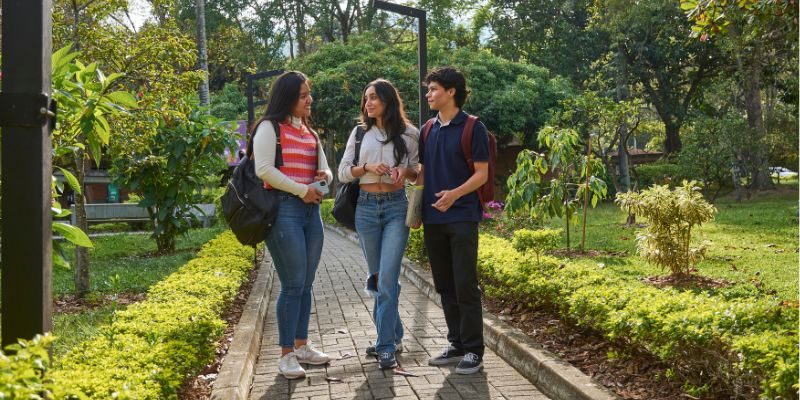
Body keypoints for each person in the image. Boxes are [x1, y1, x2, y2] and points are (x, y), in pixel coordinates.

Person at [252, 71, 333, 379]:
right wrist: (301, 190)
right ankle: (286, 355)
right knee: (293, 283)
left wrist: (325, 176)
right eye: (303, 95)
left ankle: (302, 346)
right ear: (287, 98)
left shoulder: (309, 132)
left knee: (306, 283)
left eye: (309, 93)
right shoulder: (269, 128)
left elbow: (326, 168)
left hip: (312, 213)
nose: (309, 99)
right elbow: (263, 169)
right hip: (284, 211)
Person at [338, 79, 419, 370]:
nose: (368, 103)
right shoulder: (360, 133)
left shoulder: (410, 134)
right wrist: (367, 168)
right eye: (366, 98)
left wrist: (403, 172)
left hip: (397, 208)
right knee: (378, 279)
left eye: (374, 97)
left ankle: (385, 347)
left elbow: (417, 171)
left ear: (388, 100)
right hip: (366, 209)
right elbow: (343, 172)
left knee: (386, 280)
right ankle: (394, 335)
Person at [417, 67, 489, 375]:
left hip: (462, 216)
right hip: (433, 219)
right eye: (428, 89)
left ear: (451, 92)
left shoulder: (473, 127)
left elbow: (482, 174)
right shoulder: (427, 129)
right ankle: (457, 343)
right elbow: (423, 172)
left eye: (433, 89)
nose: (428, 94)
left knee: (465, 284)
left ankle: (474, 350)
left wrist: (454, 194)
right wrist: (414, 208)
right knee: (445, 284)